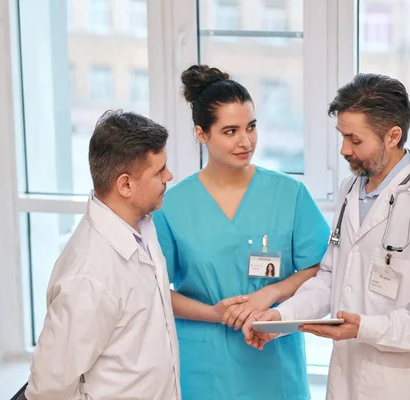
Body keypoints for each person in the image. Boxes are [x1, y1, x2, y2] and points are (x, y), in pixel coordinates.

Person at [244, 73, 410, 400]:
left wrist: (367, 328)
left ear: (393, 135)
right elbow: (331, 277)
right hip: (346, 377)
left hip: (400, 385)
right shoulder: (351, 191)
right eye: (342, 136)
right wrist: (281, 319)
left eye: (354, 139)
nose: (343, 149)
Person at [152, 65, 330, 400]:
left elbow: (321, 268)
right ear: (202, 134)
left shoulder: (289, 194)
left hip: (272, 358)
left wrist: (270, 293)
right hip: (203, 363)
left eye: (251, 127)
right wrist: (215, 314)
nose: (245, 141)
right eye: (230, 131)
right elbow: (154, 288)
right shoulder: (172, 205)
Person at [25, 110, 179, 400]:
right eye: (159, 171)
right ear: (125, 185)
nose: (169, 176)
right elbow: (48, 389)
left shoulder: (142, 225)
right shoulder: (89, 275)